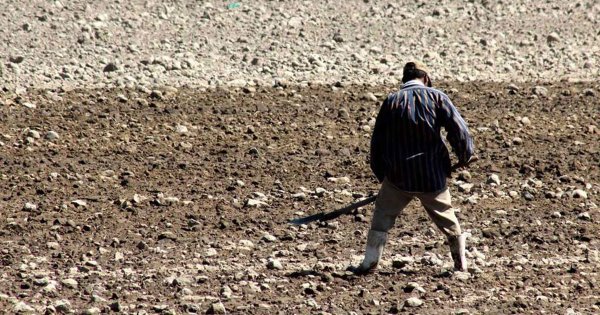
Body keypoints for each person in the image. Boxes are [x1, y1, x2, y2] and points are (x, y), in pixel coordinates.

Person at [353, 61, 474, 274]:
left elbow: (378, 142)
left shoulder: (392, 101)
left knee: (382, 217)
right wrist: (465, 156)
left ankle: (369, 263)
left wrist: (383, 176)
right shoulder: (438, 97)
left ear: (404, 79)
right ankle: (460, 264)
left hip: (399, 176)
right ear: (425, 78)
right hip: (432, 175)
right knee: (448, 218)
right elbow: (459, 131)